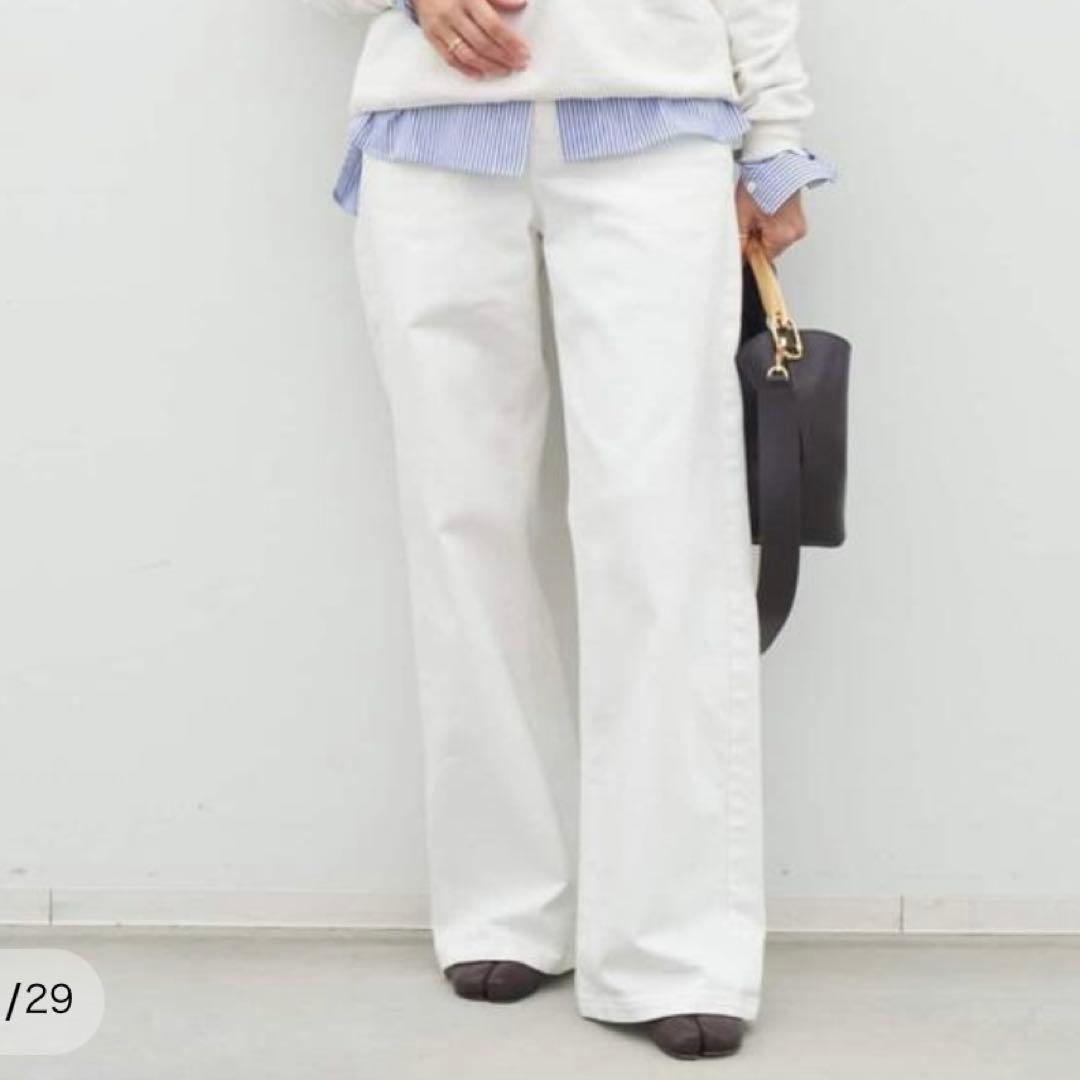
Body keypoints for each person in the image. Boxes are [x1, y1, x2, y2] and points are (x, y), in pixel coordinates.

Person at [304, 0, 834, 1060]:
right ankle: (503, 903)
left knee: (662, 525)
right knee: (460, 523)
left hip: (655, 120)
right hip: (431, 133)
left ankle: (677, 942)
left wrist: (775, 131)